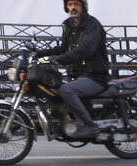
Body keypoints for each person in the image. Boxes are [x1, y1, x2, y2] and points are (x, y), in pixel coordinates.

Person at [34, 0, 110, 139]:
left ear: (83, 6)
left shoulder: (93, 25)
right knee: (54, 88)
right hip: (77, 75)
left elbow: (85, 50)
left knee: (67, 90)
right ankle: (63, 122)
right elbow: (63, 48)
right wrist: (39, 53)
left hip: (94, 76)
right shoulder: (69, 25)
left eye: (76, 4)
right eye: (70, 4)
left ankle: (89, 125)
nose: (73, 8)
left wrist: (58, 59)